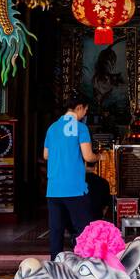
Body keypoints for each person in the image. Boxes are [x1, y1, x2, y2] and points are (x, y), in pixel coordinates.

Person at [43, 93, 98, 260]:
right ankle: (86, 266)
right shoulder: (80, 128)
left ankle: (56, 266)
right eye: (85, 110)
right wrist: (99, 157)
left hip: (53, 189)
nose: (85, 114)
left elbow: (46, 155)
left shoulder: (52, 128)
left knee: (56, 230)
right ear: (79, 108)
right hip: (74, 188)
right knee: (83, 230)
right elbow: (88, 156)